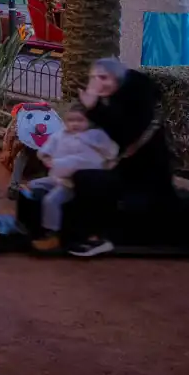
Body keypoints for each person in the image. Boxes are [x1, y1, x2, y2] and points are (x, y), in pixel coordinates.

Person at [69, 58, 176, 257]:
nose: (97, 83)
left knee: (93, 182)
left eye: (103, 77)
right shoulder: (121, 95)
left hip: (146, 177)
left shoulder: (136, 98)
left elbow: (126, 132)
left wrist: (94, 108)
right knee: (83, 177)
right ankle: (88, 235)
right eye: (94, 78)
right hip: (129, 169)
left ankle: (98, 238)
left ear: (118, 78)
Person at [26, 103, 118, 252]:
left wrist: (106, 166)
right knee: (34, 185)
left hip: (73, 183)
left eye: (80, 120)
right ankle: (37, 221)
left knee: (51, 201)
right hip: (57, 178)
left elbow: (112, 152)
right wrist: (47, 159)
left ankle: (52, 235)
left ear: (88, 121)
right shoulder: (59, 135)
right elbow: (45, 151)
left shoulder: (95, 136)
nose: (75, 124)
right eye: (71, 120)